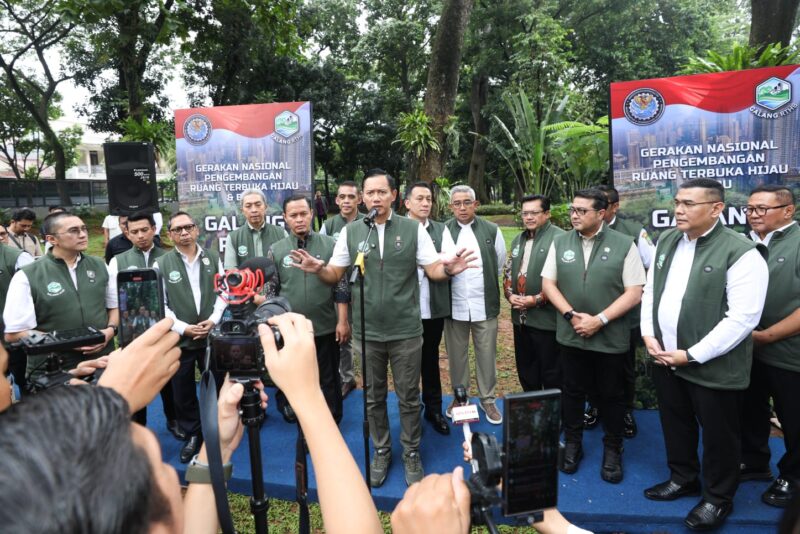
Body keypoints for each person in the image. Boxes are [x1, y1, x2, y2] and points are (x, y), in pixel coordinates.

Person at [290, 168, 475, 487]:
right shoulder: (352, 233)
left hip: (405, 331)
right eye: (369, 192)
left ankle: (411, 451)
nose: (375, 197)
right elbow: (336, 275)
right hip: (368, 333)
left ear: (393, 196)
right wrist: (319, 268)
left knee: (407, 395)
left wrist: (449, 270)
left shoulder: (413, 230)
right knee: (373, 398)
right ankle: (381, 450)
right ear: (363, 197)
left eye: (381, 192)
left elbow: (432, 269)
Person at [641, 178, 768, 531]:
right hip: (666, 357)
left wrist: (692, 354)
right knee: (674, 422)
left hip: (711, 364)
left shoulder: (741, 252)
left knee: (719, 434)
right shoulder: (667, 240)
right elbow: (652, 289)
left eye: (689, 204)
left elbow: (743, 318)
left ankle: (717, 498)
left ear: (716, 209)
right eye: (678, 202)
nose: (679, 210)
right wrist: (649, 334)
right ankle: (682, 478)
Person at [541, 188, 645, 484]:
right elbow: (549, 284)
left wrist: (600, 320)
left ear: (601, 214)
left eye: (581, 211)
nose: (574, 215)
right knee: (572, 391)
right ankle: (573, 444)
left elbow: (635, 291)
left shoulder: (625, 244)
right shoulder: (560, 242)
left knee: (612, 394)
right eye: (572, 209)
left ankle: (613, 448)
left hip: (610, 335)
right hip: (571, 333)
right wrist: (571, 316)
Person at [4, 212, 119, 380]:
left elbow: (114, 306)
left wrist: (109, 331)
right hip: (52, 371)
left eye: (83, 229)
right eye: (73, 230)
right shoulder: (28, 275)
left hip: (102, 362)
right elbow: (14, 333)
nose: (82, 234)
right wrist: (68, 341)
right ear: (52, 239)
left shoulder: (100, 266)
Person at [740, 184, 800, 508]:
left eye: (762, 209)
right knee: (751, 408)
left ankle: (793, 476)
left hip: (789, 351)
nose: (753, 215)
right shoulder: (742, 243)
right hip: (746, 350)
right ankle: (753, 460)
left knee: (793, 417)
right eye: (750, 209)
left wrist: (768, 336)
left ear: (788, 211)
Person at [267, 194, 350, 423]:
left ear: (312, 214)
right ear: (285, 218)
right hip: (291, 328)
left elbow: (341, 287)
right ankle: (289, 406)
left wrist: (342, 321)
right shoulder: (276, 249)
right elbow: (271, 292)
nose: (299, 219)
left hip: (324, 324)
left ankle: (332, 414)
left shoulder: (330, 245)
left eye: (304, 213)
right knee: (292, 372)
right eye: (293, 215)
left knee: (329, 376)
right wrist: (275, 326)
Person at [154, 211, 227, 463]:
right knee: (182, 389)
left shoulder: (214, 257)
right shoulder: (161, 264)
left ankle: (217, 429)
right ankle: (193, 434)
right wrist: (183, 327)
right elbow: (160, 304)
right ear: (170, 235)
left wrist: (214, 319)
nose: (184, 232)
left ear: (197, 230)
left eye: (188, 227)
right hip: (180, 337)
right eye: (178, 229)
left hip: (210, 334)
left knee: (217, 384)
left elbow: (223, 292)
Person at [588, 185, 656, 437]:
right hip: (589, 316)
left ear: (614, 207)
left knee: (623, 367)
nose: (596, 208)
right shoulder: (581, 230)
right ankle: (594, 406)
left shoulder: (633, 232)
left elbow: (652, 267)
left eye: (602, 204)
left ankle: (625, 411)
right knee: (591, 365)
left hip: (624, 318)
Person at [444, 185, 506, 425]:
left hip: (484, 303)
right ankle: (460, 397)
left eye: (466, 202)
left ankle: (488, 399)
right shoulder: (444, 231)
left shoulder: (492, 230)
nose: (462, 207)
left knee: (486, 353)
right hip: (454, 305)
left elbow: (498, 263)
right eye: (457, 203)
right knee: (456, 355)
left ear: (475, 204)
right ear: (451, 207)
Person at [404, 181, 454, 435]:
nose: (425, 204)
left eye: (429, 199)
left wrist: (429, 262)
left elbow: (448, 262)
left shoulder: (440, 229)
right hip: (404, 309)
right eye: (420, 198)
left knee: (430, 359)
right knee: (407, 363)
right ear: (407, 203)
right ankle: (409, 411)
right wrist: (432, 261)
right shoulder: (398, 229)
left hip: (432, 308)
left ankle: (433, 409)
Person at [503, 194, 565, 392]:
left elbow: (565, 281)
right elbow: (508, 270)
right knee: (527, 370)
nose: (528, 217)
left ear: (546, 214)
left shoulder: (560, 239)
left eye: (534, 213)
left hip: (547, 321)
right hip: (520, 320)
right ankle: (532, 413)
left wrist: (536, 299)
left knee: (552, 372)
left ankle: (555, 417)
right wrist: (509, 294)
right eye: (525, 213)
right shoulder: (519, 240)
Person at [321, 180, 364, 398]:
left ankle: (372, 379)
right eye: (342, 197)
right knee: (343, 336)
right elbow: (324, 257)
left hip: (365, 291)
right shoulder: (328, 226)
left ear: (360, 199)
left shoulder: (369, 223)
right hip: (339, 293)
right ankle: (347, 378)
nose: (346, 201)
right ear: (337, 200)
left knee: (365, 338)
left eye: (351, 197)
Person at [223, 189, 287, 270]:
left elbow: (288, 269)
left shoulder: (281, 233)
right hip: (246, 282)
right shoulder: (233, 238)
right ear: (242, 210)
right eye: (248, 206)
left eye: (258, 205)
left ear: (266, 207)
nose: (254, 210)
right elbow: (231, 272)